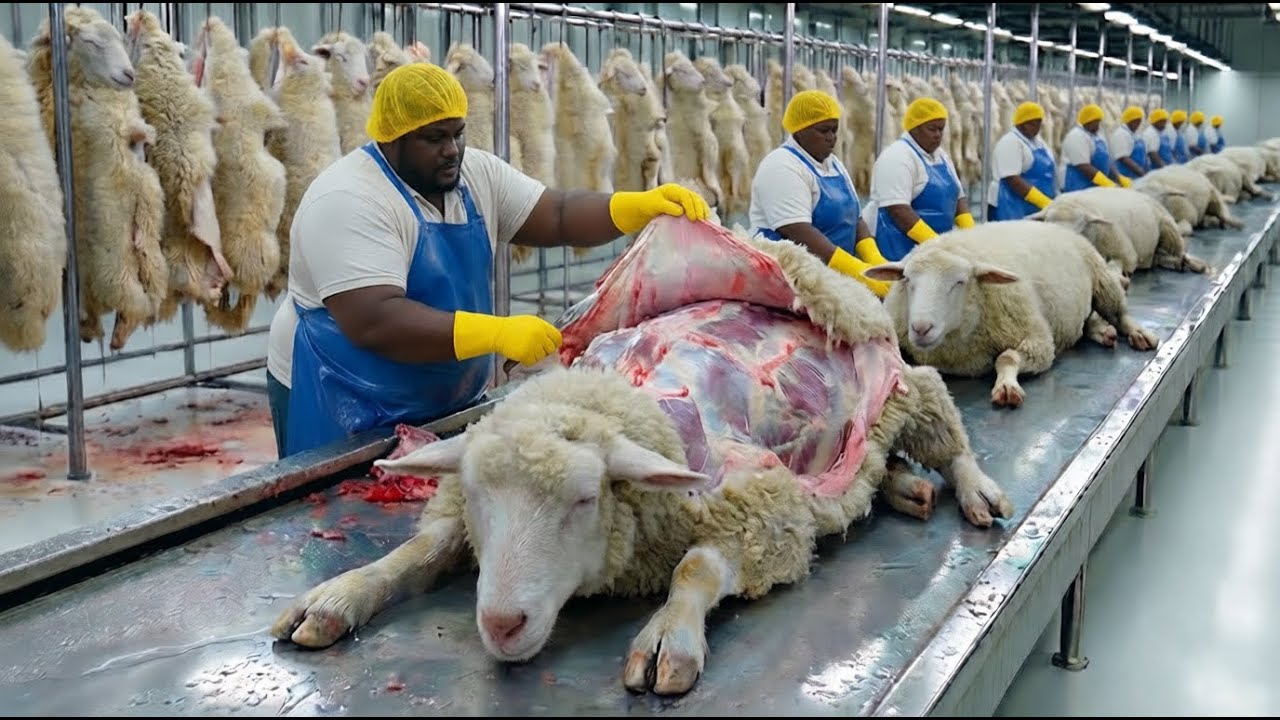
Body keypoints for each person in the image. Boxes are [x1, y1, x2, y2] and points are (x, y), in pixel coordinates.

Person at [265, 63, 711, 458]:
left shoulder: (474, 175)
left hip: (437, 396)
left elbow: (556, 214)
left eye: (457, 133)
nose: (451, 150)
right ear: (392, 140)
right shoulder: (349, 199)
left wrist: (635, 207)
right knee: (333, 515)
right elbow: (375, 320)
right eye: (434, 138)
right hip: (338, 395)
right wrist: (497, 333)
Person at [749, 89, 890, 298]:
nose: (831, 138)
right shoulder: (781, 165)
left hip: (833, 279)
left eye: (834, 130)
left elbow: (856, 219)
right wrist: (855, 270)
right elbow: (799, 232)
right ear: (800, 130)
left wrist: (874, 258)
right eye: (823, 131)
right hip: (791, 285)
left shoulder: (833, 164)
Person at [862, 96, 972, 263]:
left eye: (941, 129)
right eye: (932, 129)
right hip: (898, 251)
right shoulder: (897, 156)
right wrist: (936, 245)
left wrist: (971, 235)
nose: (938, 135)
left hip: (933, 253)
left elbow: (959, 198)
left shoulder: (941, 156)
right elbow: (898, 210)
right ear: (915, 127)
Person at [987, 100, 1056, 222]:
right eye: (1031, 124)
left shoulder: (1039, 142)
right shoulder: (1010, 142)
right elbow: (1012, 180)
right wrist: (1043, 201)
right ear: (1021, 123)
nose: (1036, 128)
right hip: (1010, 206)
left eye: (1038, 124)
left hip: (1035, 208)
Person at [1059, 103, 1123, 193]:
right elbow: (1084, 166)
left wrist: (1119, 179)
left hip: (1094, 185)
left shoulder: (1098, 136)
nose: (1098, 125)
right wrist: (1107, 183)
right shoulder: (1076, 136)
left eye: (1099, 122)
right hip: (1076, 185)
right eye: (1096, 122)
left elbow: (1107, 161)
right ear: (1089, 121)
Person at [1110, 105, 1149, 181]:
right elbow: (1123, 158)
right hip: (1125, 177)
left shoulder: (1135, 134)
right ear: (1129, 120)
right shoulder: (1121, 134)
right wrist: (1141, 173)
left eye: (1139, 121)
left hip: (1137, 176)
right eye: (1136, 121)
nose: (1138, 124)